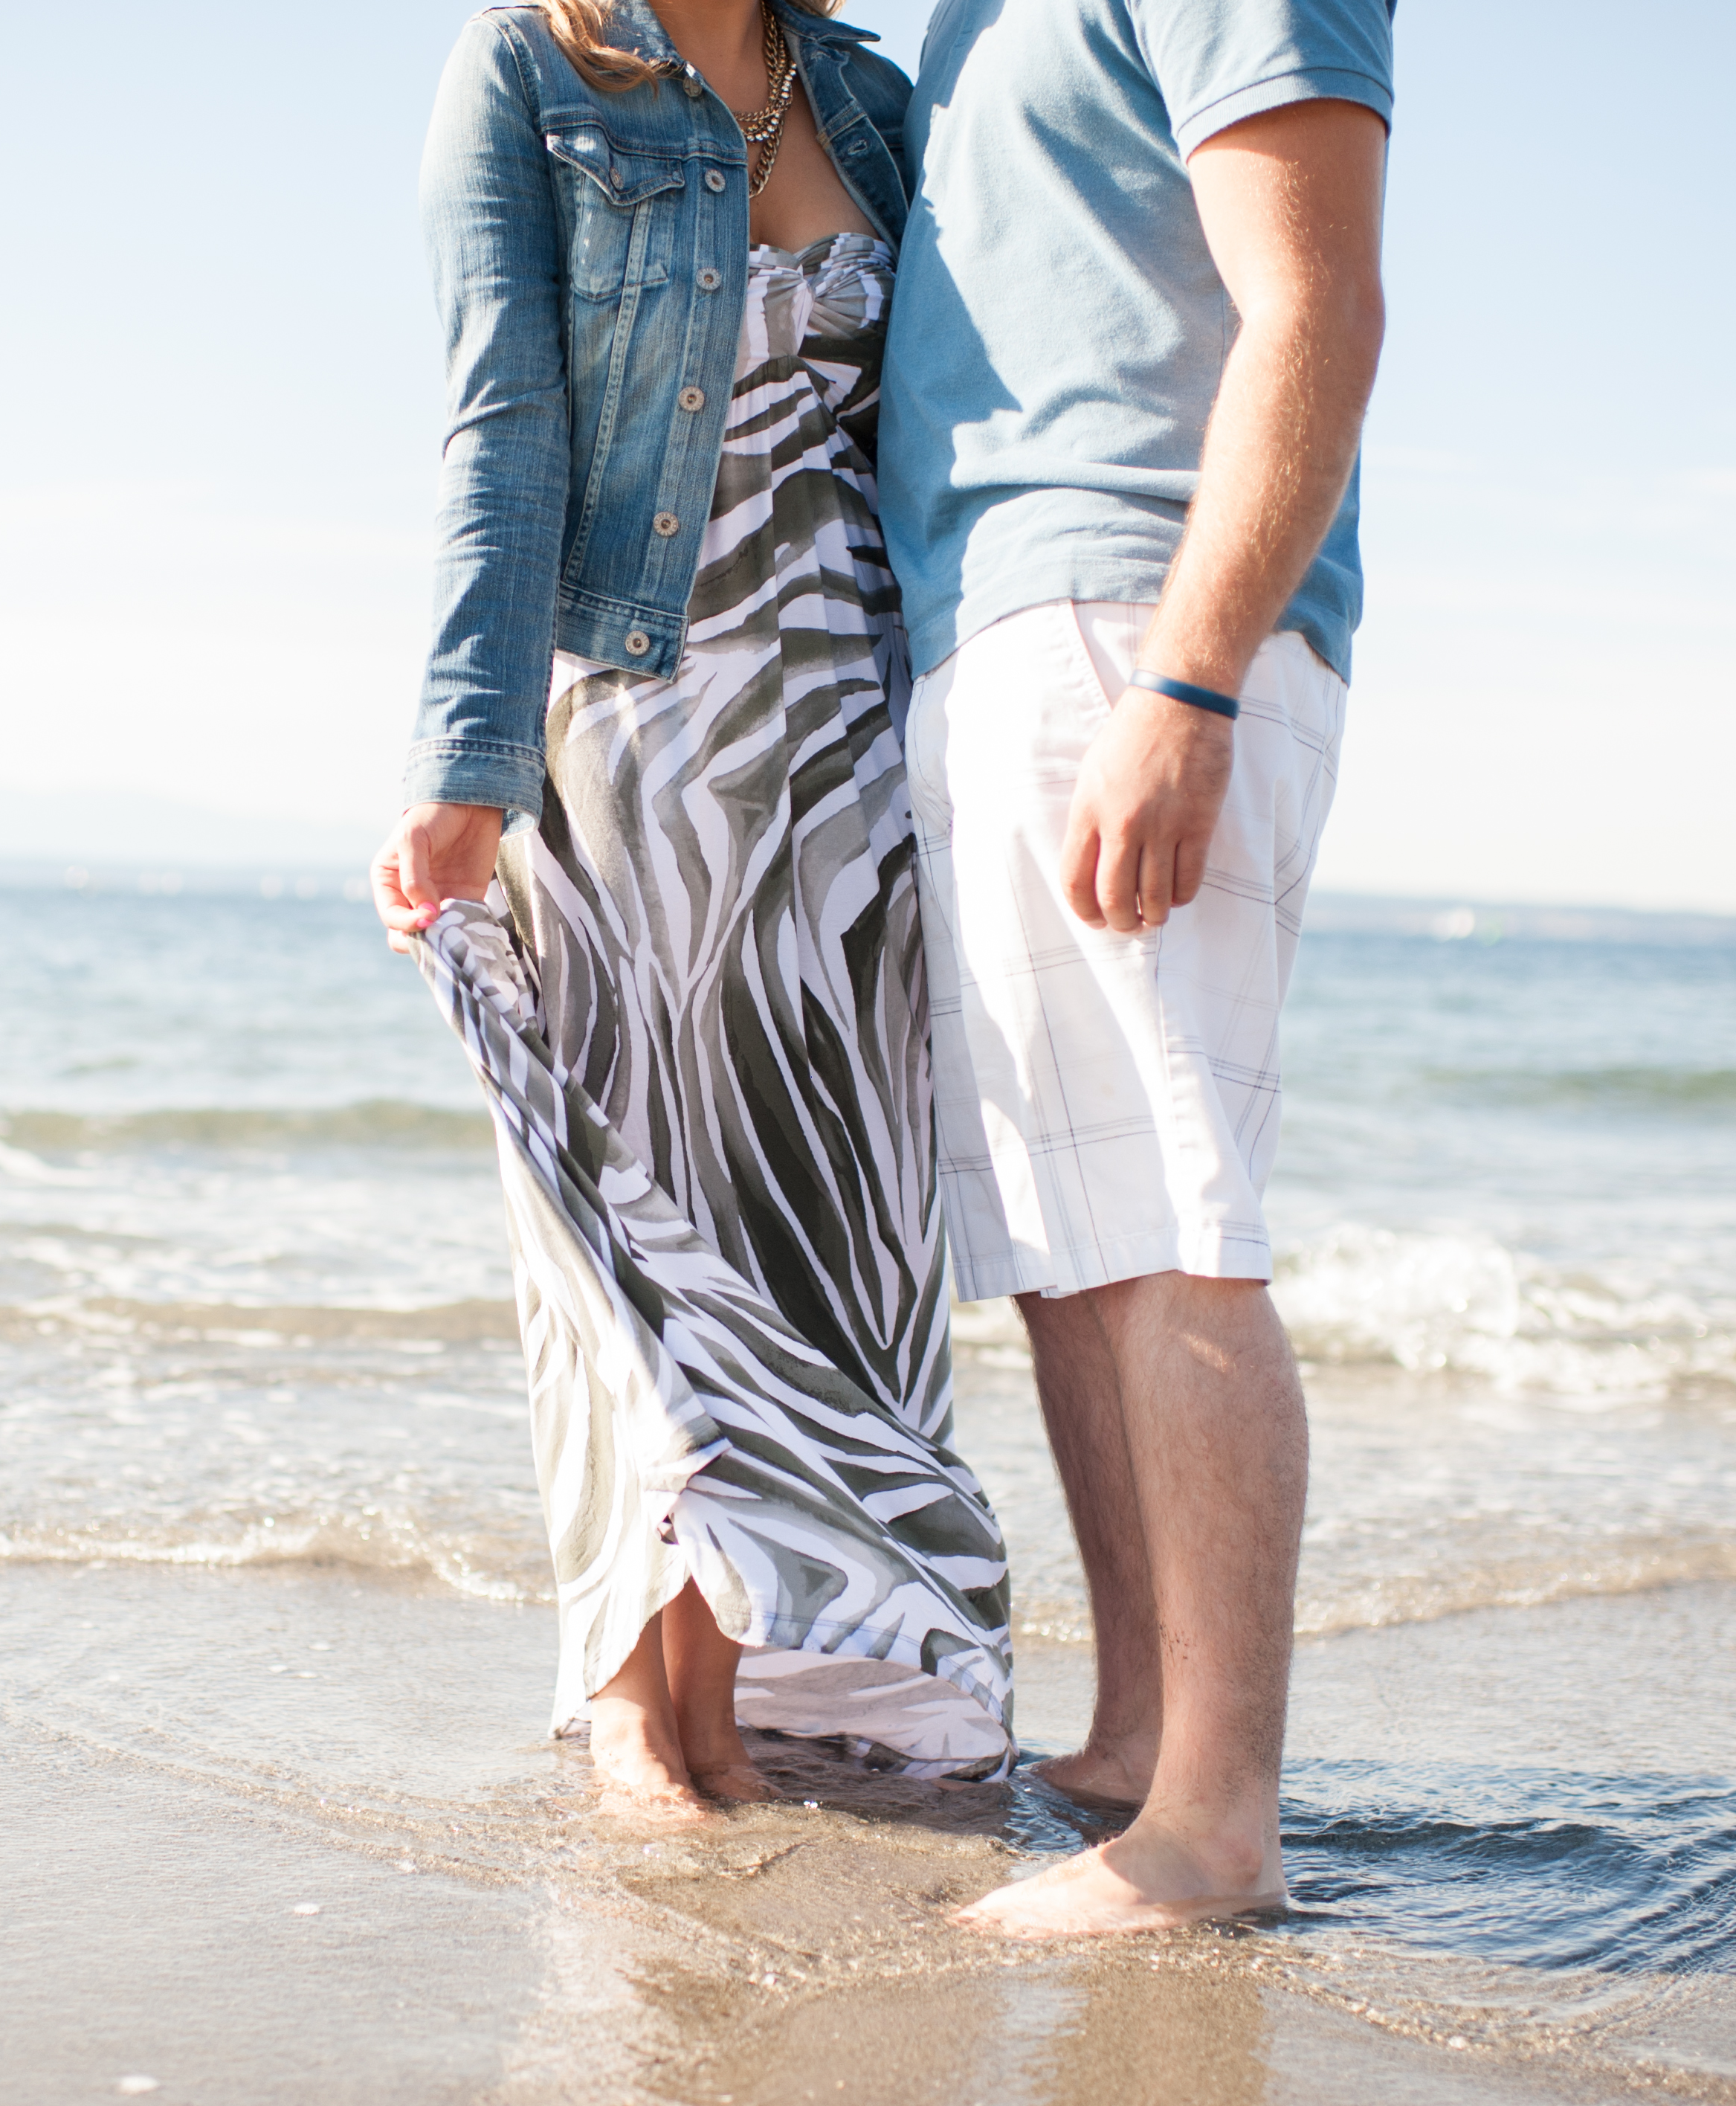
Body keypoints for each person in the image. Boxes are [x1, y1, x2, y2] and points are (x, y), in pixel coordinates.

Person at [373, 0, 1016, 1818]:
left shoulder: (874, 98)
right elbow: (500, 419)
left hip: (853, 762)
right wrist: (464, 760)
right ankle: (650, 1711)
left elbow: (952, 437)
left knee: (807, 1241)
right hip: (639, 733)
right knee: (639, 1231)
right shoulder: (529, 72)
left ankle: (749, 1689)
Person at [874, 0, 1395, 1931]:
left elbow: (1319, 303)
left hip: (1134, 609)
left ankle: (1212, 1827)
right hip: (1004, 618)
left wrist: (1187, 679)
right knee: (1067, 1234)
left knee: (1173, 1214)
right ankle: (1133, 1741)